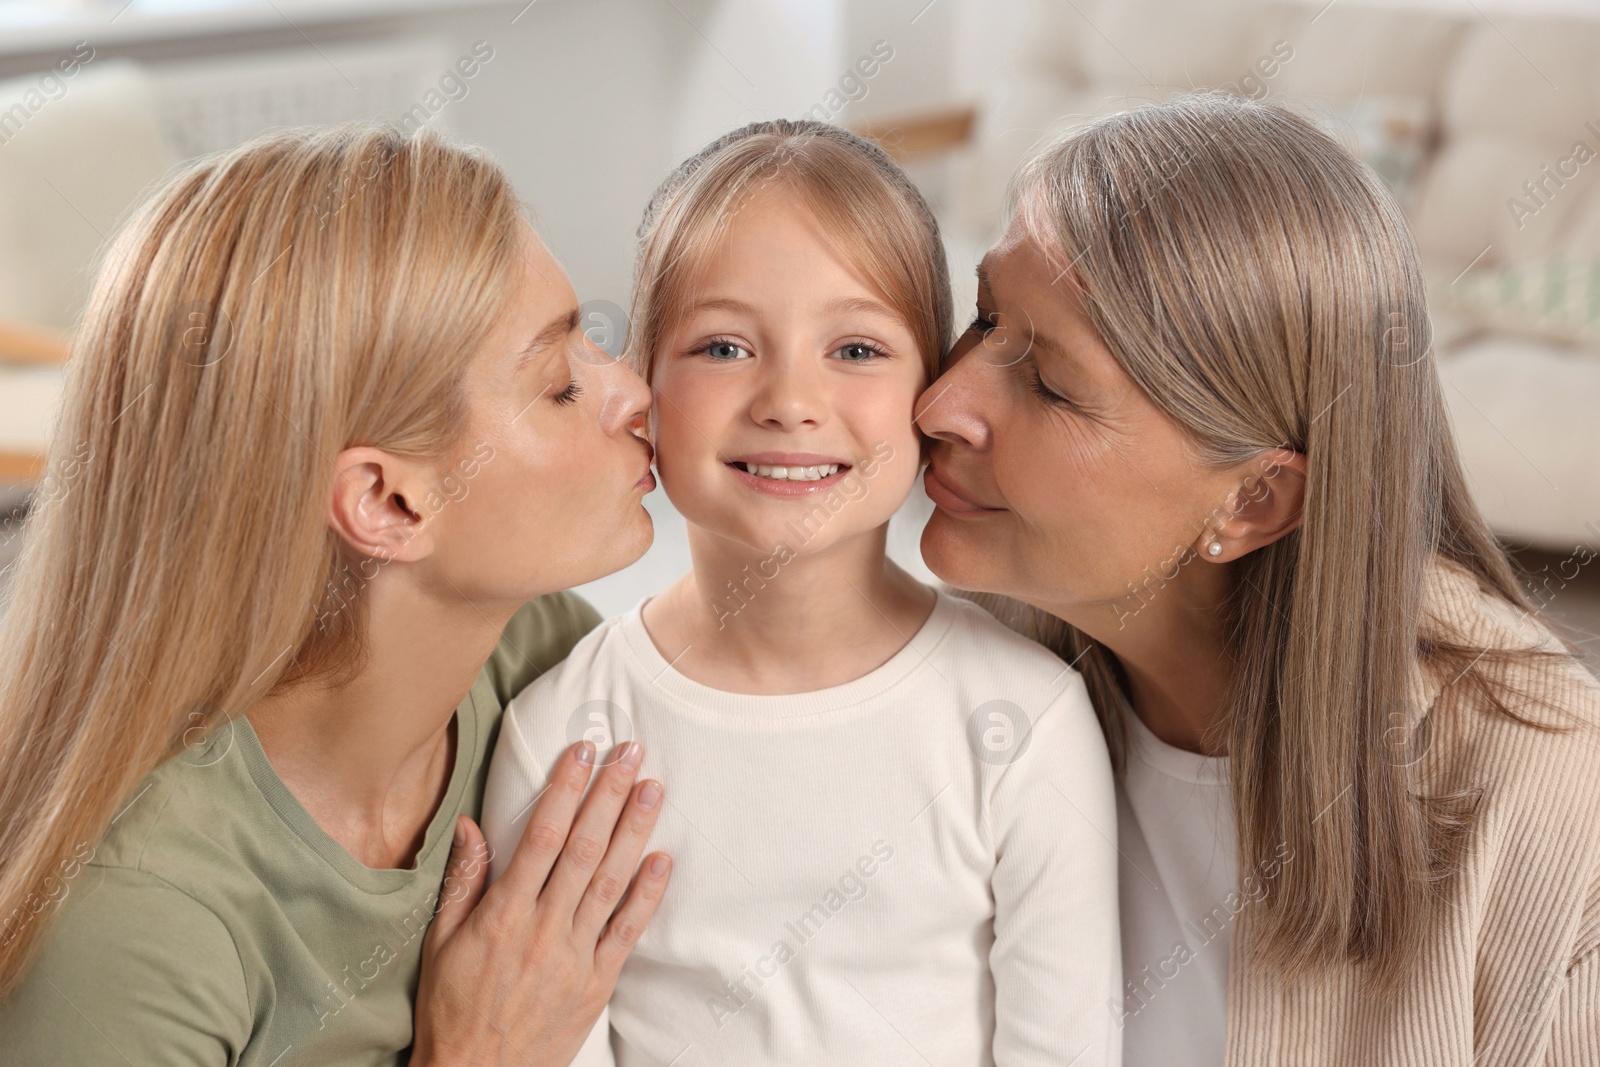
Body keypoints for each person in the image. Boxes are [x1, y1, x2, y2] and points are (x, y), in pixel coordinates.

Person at [915, 90, 1600, 1064]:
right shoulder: (967, 674)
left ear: (1253, 503)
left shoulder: (1556, 811)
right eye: (982, 316)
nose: (941, 401)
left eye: (1050, 383)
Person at [0, 122, 673, 1067]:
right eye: (561, 383)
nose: (635, 392)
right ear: (387, 501)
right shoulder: (137, 919)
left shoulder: (536, 655)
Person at [480, 119, 1121, 1066]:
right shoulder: (564, 734)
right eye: (725, 348)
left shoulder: (1024, 721)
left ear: (930, 390)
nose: (789, 399)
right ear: (642, 385)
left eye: (856, 349)